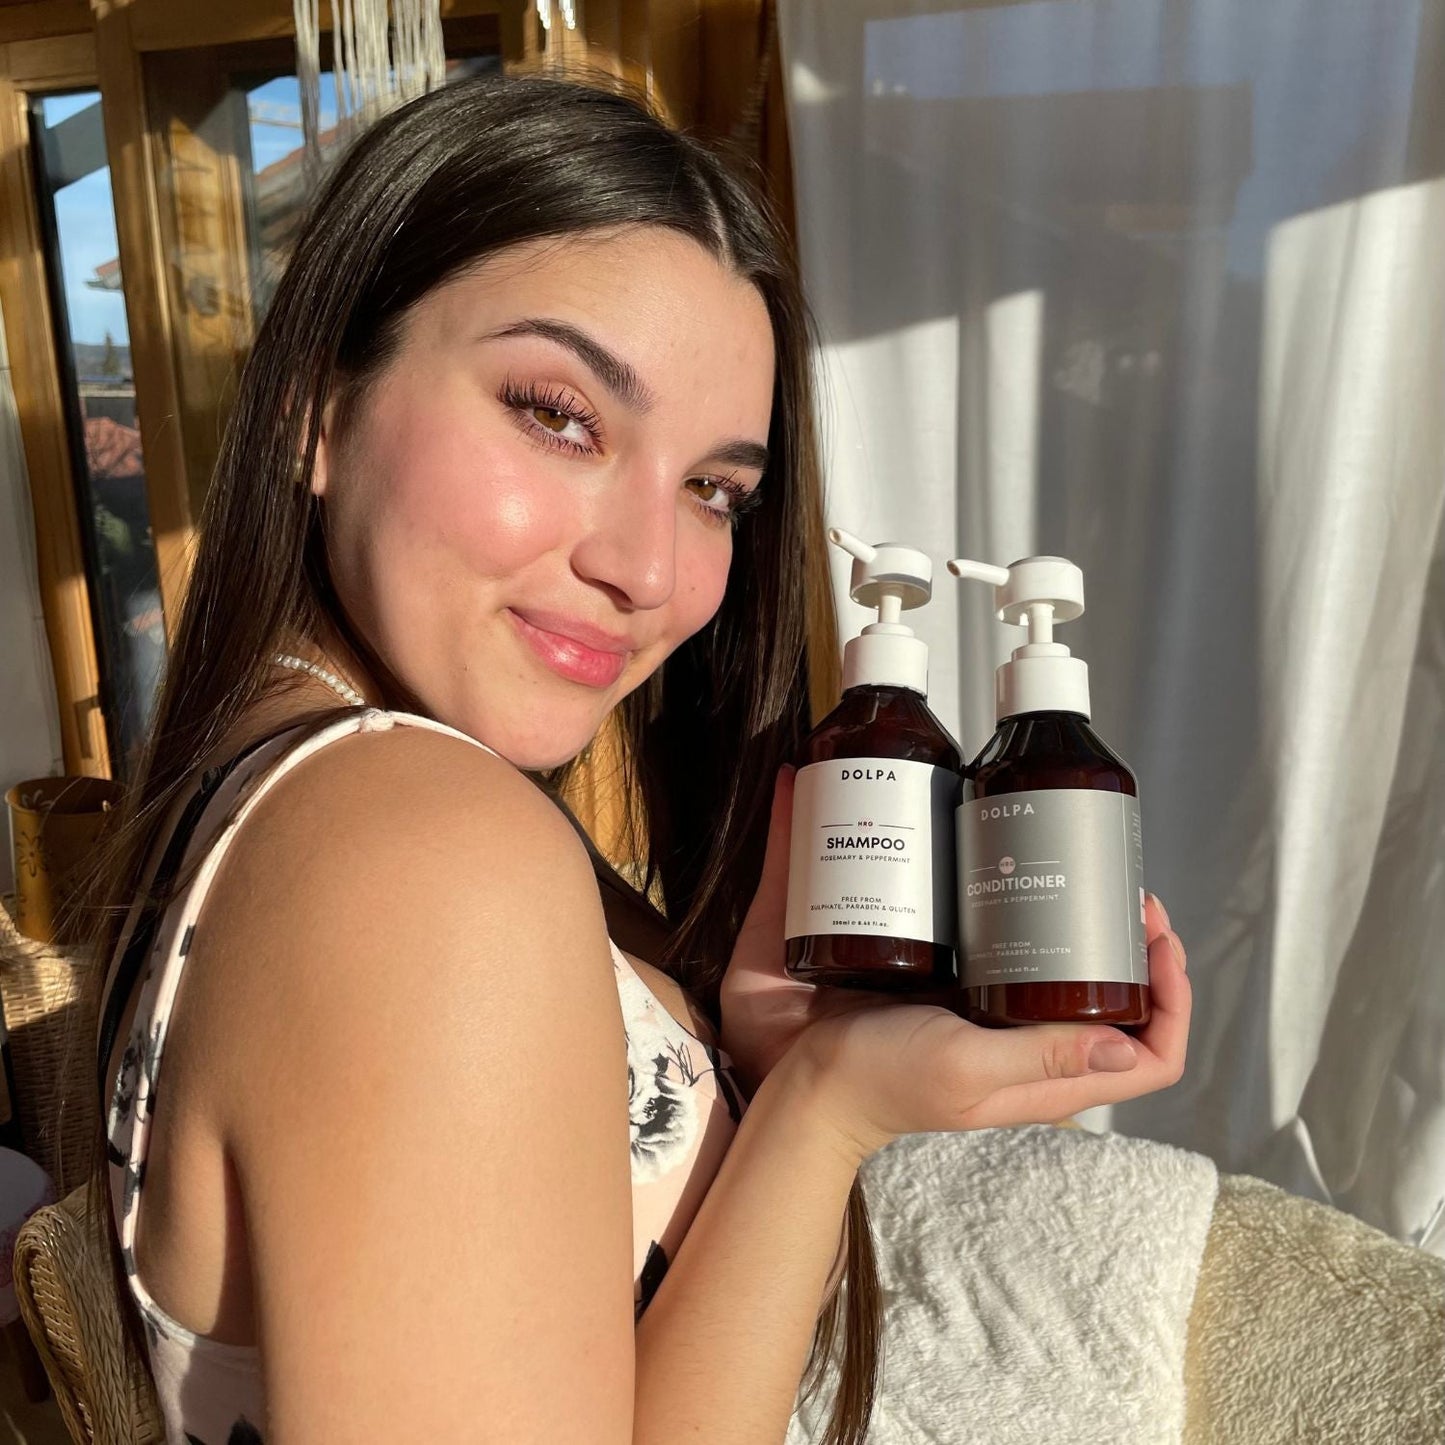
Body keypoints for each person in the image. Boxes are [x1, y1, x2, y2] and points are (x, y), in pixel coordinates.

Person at [87, 73, 1191, 1445]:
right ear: (320, 405)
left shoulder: (299, 788)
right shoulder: (420, 851)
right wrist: (817, 1116)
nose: (648, 568)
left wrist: (803, 1082)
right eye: (558, 414)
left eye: (714, 490)